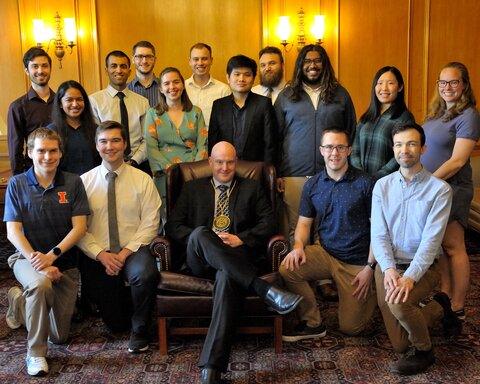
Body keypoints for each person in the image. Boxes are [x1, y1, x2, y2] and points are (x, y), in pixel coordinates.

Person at [165, 141, 302, 384]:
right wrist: (208, 240)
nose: (225, 167)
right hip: (199, 259)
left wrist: (241, 239)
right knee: (199, 233)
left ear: (236, 162)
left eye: (230, 162)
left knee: (227, 276)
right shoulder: (192, 188)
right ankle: (264, 290)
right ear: (210, 162)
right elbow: (173, 227)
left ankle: (212, 368)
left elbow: (268, 224)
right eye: (219, 162)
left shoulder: (252, 187)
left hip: (236, 259)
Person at [372, 122, 462, 375]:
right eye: (399, 144)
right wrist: (389, 270)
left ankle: (425, 351)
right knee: (401, 344)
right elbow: (378, 234)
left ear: (422, 148)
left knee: (400, 306)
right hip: (389, 264)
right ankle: (439, 306)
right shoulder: (382, 186)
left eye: (411, 144)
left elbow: (431, 242)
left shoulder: (440, 190)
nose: (405, 150)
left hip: (422, 267)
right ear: (393, 149)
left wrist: (409, 278)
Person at [4, 128, 89, 376]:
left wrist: (52, 256)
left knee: (59, 336)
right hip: (26, 257)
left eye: (53, 151)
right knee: (41, 284)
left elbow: (80, 227)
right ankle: (36, 354)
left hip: (64, 263)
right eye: (41, 151)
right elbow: (13, 232)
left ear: (60, 153)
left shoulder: (73, 182)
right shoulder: (17, 183)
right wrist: (40, 263)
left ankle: (19, 302)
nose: (47, 156)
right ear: (29, 152)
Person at [274, 44, 356, 300]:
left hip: (330, 174)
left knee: (326, 228)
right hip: (294, 172)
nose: (312, 65)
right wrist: (277, 172)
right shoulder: (287, 96)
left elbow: (351, 130)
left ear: (325, 64)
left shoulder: (340, 94)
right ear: (300, 65)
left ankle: (323, 279)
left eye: (318, 61)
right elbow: (275, 136)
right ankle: (299, 277)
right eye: (307, 61)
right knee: (296, 227)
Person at [280, 128, 377, 341]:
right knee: (288, 268)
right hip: (325, 252)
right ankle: (313, 322)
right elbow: (304, 224)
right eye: (330, 147)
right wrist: (297, 247)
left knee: (352, 328)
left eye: (340, 147)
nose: (335, 153)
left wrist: (370, 267)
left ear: (349, 150)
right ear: (321, 150)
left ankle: (374, 294)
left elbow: (378, 231)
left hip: (357, 262)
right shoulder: (313, 184)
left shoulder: (366, 183)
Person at [77, 121, 161, 353]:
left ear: (125, 144)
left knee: (145, 274)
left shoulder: (142, 179)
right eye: (103, 141)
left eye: (115, 140)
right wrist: (100, 254)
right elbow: (78, 228)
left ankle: (140, 329)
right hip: (98, 253)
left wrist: (124, 253)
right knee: (116, 325)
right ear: (96, 146)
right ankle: (126, 312)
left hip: (134, 250)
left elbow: (151, 222)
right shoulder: (84, 183)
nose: (109, 146)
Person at [422, 62, 480, 321]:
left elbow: (457, 161)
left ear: (464, 84)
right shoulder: (437, 113)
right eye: (443, 82)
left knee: (454, 246)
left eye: (453, 82)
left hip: (453, 188)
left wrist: (428, 182)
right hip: (435, 188)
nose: (447, 87)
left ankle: (457, 306)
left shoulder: (468, 115)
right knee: (440, 246)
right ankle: (444, 294)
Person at [144, 67, 208, 217]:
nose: (172, 87)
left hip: (193, 174)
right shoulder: (153, 114)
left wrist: (192, 170)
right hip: (164, 174)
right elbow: (151, 148)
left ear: (183, 85)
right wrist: (173, 171)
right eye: (166, 83)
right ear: (160, 88)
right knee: (167, 216)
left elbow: (202, 145)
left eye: (176, 82)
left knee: (192, 214)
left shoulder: (196, 112)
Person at [208, 55, 277, 164]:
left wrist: (269, 170)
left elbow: (270, 142)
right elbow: (213, 141)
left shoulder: (264, 104)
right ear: (228, 78)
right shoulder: (219, 106)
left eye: (247, 75)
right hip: (225, 168)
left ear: (253, 78)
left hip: (255, 168)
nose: (241, 79)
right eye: (237, 74)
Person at [89, 50, 150, 171]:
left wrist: (134, 161)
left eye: (123, 66)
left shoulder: (142, 102)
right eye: (113, 66)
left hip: (139, 165)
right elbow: (95, 139)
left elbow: (148, 139)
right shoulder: (94, 101)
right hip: (107, 165)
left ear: (129, 71)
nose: (118, 70)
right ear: (106, 70)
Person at [351, 66, 415, 180]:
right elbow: (355, 148)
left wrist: (377, 177)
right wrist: (359, 174)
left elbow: (402, 153)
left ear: (400, 87)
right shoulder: (366, 117)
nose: (384, 88)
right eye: (380, 83)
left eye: (390, 83)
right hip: (359, 181)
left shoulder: (405, 118)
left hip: (387, 182)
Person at [8, 47, 55, 175]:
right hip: (33, 174)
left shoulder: (62, 102)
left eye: (44, 66)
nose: (40, 71)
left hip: (64, 173)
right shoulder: (17, 107)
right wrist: (19, 181)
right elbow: (15, 151)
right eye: (35, 66)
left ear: (50, 68)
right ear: (27, 71)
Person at [49, 80, 100, 175]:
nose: (75, 104)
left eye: (79, 99)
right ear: (60, 104)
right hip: (64, 186)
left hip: (93, 184)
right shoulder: (51, 132)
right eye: (69, 100)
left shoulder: (96, 130)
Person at [185, 43, 231, 128]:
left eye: (204, 59)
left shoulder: (223, 90)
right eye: (196, 59)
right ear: (190, 61)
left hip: (214, 140)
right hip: (186, 140)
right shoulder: (182, 88)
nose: (200, 63)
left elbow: (228, 122)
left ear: (211, 60)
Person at [128, 41, 160, 107]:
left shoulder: (166, 87)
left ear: (155, 60)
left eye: (148, 56)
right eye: (140, 56)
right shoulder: (126, 89)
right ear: (133, 60)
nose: (144, 61)